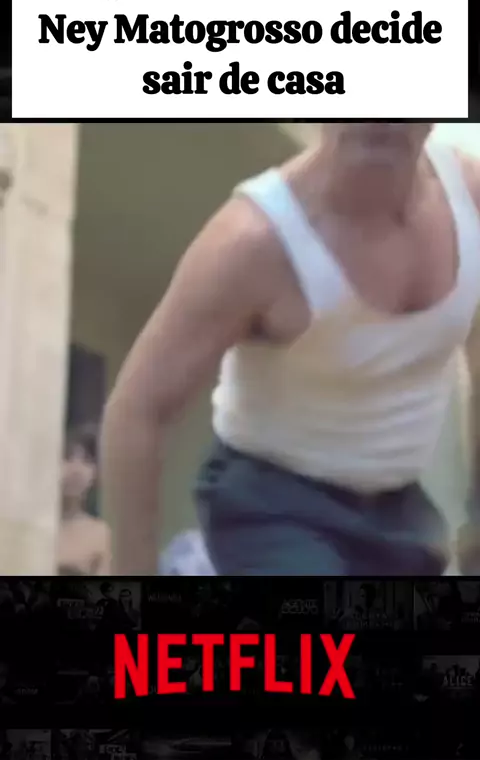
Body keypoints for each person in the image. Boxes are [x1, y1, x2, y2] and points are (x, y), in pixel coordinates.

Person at [101, 122, 480, 575]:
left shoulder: (468, 197)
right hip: (273, 502)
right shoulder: (254, 241)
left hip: (400, 507)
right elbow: (138, 411)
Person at [57, 426, 111, 575]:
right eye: (67, 457)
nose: (76, 469)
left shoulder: (101, 535)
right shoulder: (29, 528)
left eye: (87, 460)